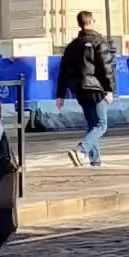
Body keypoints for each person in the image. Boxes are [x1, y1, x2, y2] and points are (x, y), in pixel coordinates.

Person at [54, 11, 113, 167]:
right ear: (91, 21)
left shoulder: (72, 46)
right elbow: (105, 67)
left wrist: (60, 95)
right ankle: (81, 150)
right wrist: (110, 89)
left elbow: (63, 71)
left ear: (80, 23)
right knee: (101, 124)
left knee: (92, 124)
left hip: (78, 89)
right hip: (96, 88)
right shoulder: (98, 42)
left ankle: (95, 160)